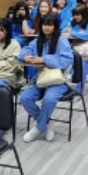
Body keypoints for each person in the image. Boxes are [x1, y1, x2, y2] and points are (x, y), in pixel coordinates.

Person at [19, 14, 74, 142]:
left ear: (55, 26)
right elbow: (25, 50)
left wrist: (44, 59)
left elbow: (66, 60)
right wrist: (25, 56)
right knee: (25, 98)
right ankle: (45, 125)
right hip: (41, 78)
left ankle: (38, 128)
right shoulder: (39, 39)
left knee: (49, 100)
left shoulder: (61, 40)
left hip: (57, 80)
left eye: (50, 24)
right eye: (44, 24)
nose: (47, 28)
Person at [65, 4, 88, 92]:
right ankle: (64, 87)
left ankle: (78, 91)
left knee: (82, 64)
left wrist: (73, 33)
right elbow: (65, 31)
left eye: (78, 15)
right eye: (74, 15)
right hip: (75, 50)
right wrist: (68, 31)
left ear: (84, 14)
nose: (75, 17)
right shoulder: (73, 22)